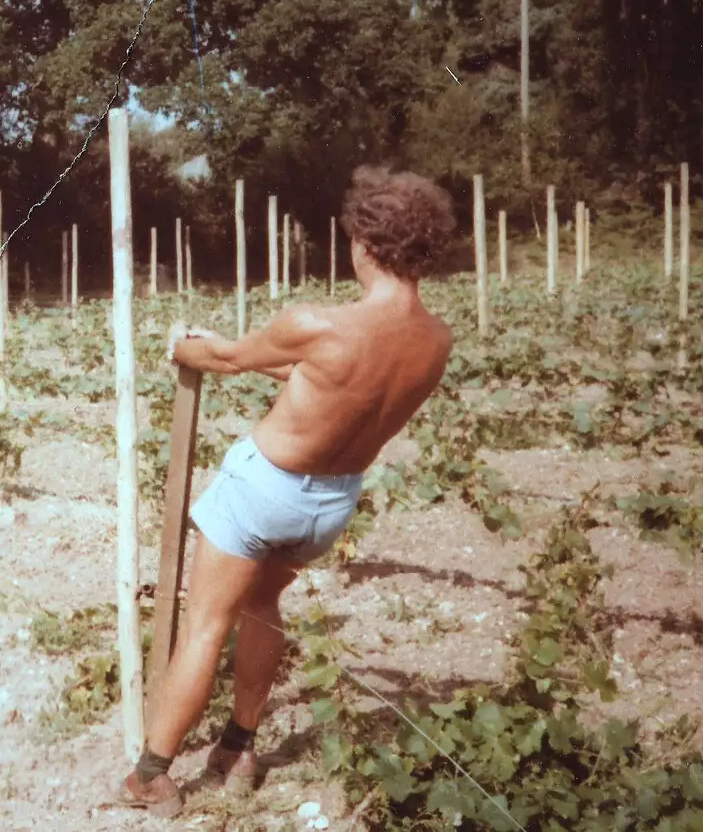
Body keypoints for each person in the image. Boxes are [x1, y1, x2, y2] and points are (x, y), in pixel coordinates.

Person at [112, 166, 458, 818]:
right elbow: (329, 380)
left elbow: (228, 359)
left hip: (262, 489)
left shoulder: (317, 323)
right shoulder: (435, 342)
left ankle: (152, 774)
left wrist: (184, 345)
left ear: (367, 242)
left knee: (206, 624)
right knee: (264, 607)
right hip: (330, 503)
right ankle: (239, 748)